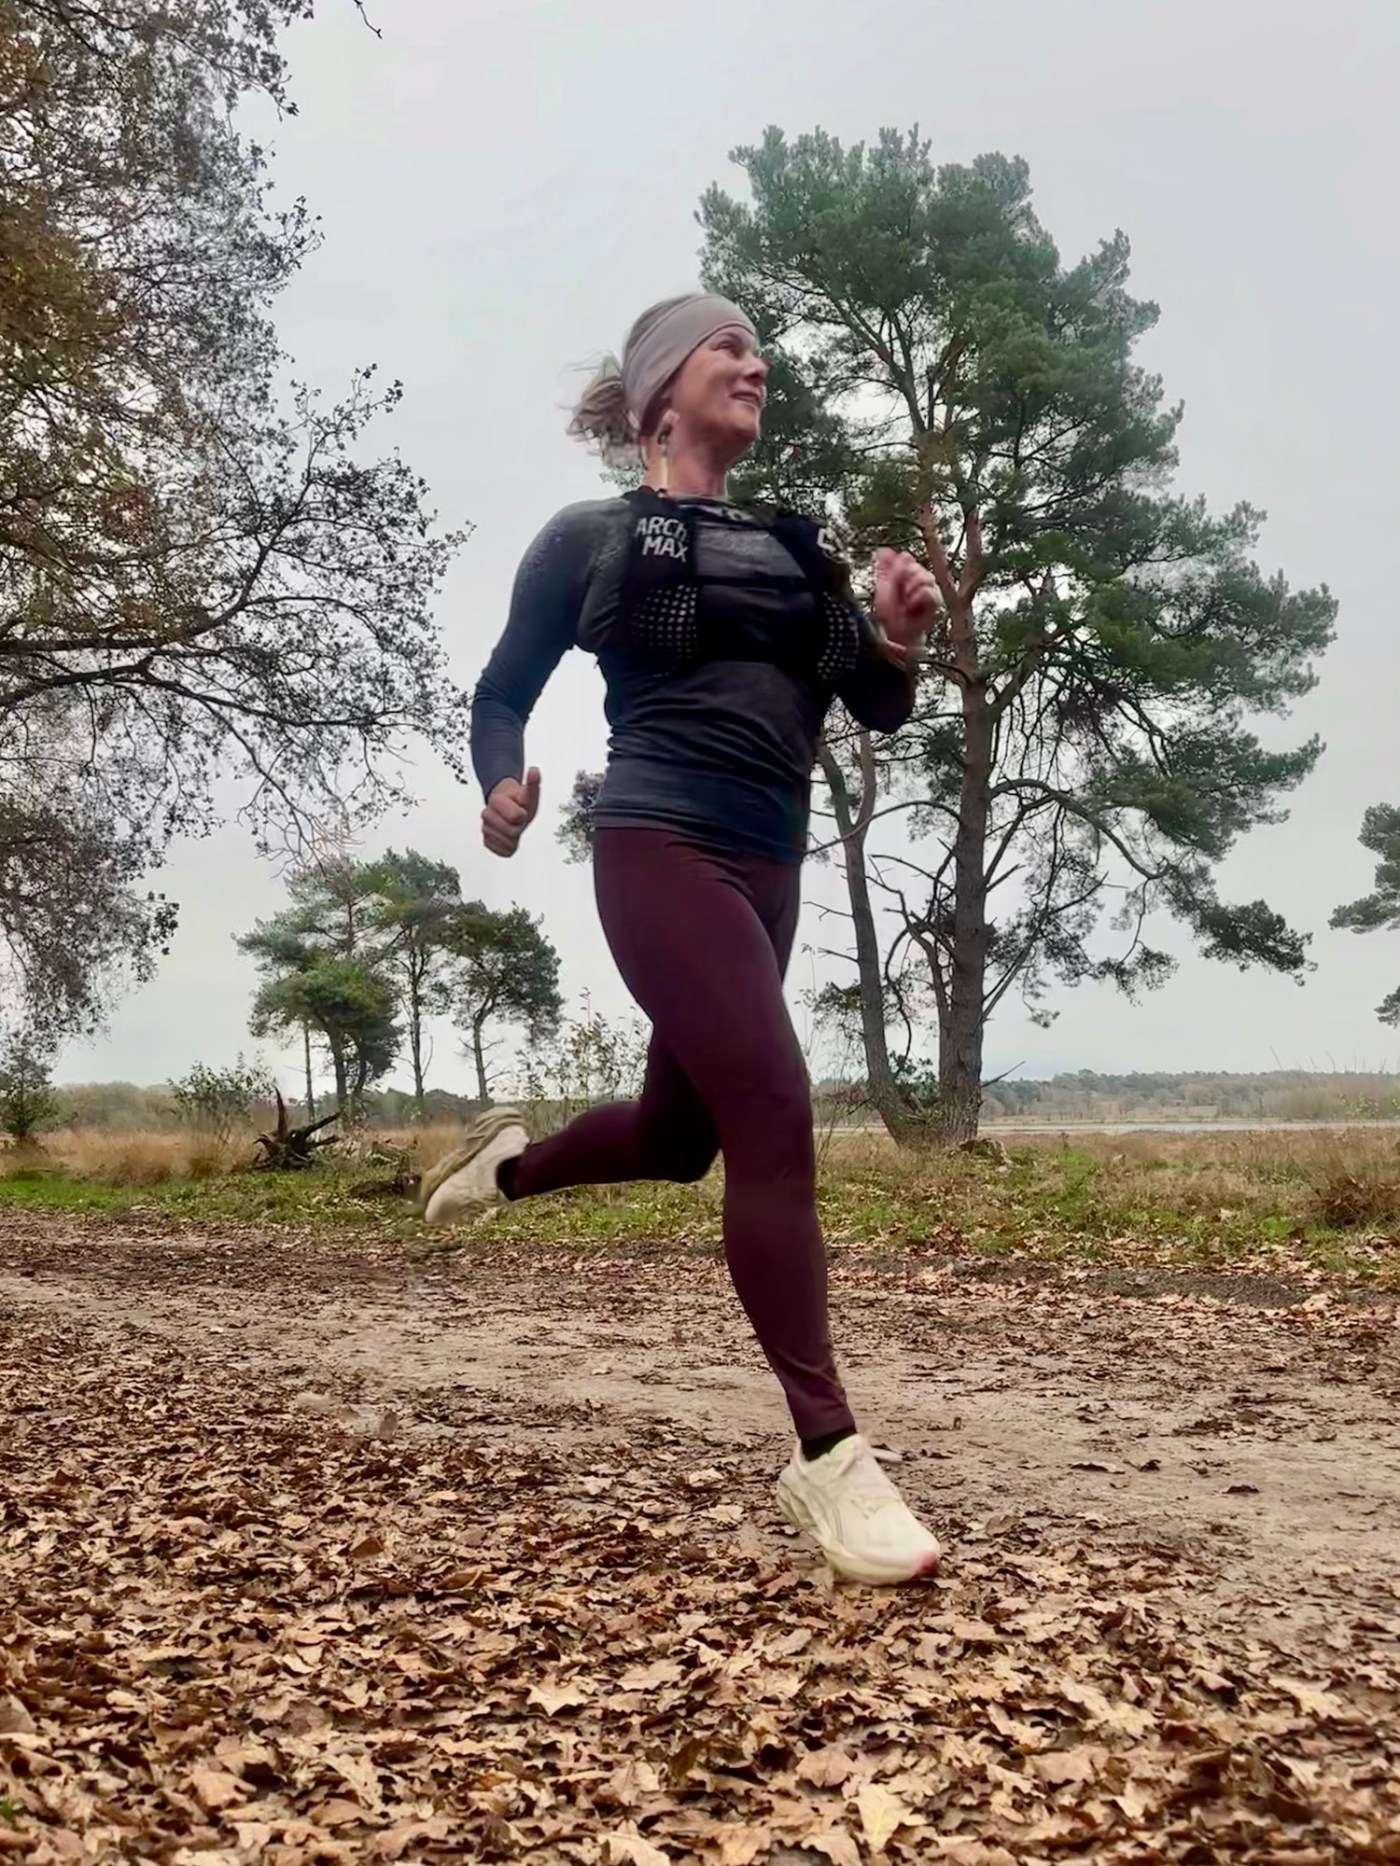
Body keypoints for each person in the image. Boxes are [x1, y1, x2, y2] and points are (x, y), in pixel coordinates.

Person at [436, 291, 942, 1586]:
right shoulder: (594, 539)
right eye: (731, 346)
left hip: (769, 867)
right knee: (773, 1106)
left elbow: (878, 702)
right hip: (660, 847)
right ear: (664, 389)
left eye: (759, 349)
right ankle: (829, 1455)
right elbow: (501, 691)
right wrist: (499, 787)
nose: (756, 364)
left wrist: (897, 631)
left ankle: (506, 1171)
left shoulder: (793, 548)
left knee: (680, 1140)